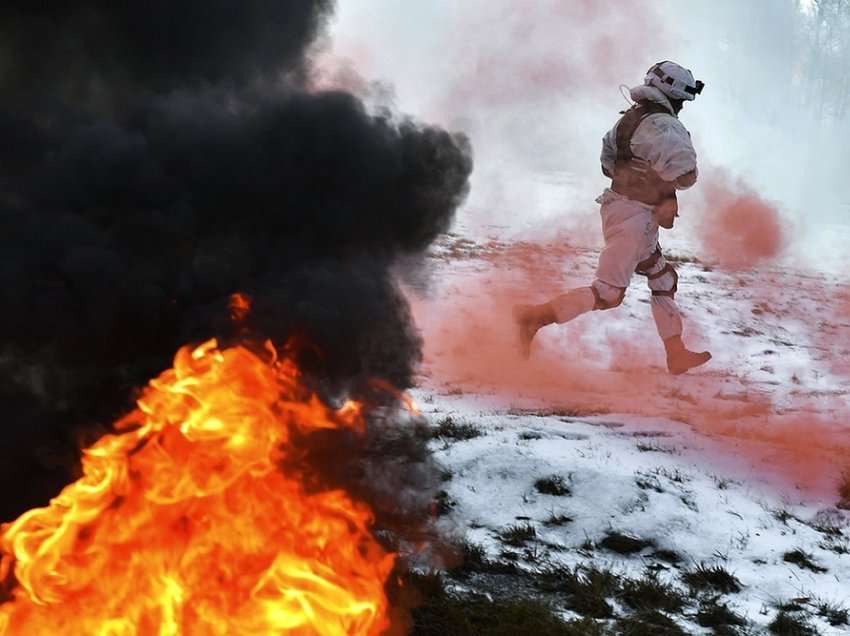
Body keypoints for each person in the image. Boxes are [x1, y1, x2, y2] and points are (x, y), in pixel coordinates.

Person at [513, 61, 711, 375]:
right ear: (673, 94)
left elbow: (608, 164)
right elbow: (685, 174)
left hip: (623, 209)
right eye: (682, 100)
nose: (682, 107)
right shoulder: (664, 125)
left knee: (663, 279)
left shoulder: (629, 119)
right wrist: (662, 186)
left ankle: (676, 354)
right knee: (608, 293)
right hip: (635, 218)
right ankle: (532, 318)